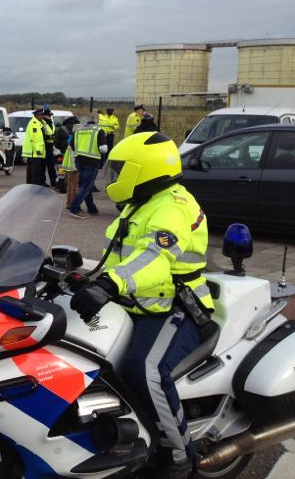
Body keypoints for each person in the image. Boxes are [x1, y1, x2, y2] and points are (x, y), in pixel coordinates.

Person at [71, 131, 212, 478]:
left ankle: (179, 456)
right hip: (136, 303)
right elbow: (121, 258)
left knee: (144, 369)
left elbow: (155, 259)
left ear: (145, 170)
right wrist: (83, 280)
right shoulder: (142, 202)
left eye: (121, 170)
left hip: (175, 307)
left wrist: (110, 284)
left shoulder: (173, 207)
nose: (115, 177)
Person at [68, 117, 107, 218]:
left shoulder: (78, 130)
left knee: (84, 185)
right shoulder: (99, 130)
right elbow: (103, 149)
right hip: (92, 161)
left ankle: (91, 208)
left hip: (79, 161)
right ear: (96, 123)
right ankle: (74, 208)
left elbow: (71, 145)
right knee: (86, 186)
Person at [56, 116, 80, 208]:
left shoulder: (60, 130)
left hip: (63, 155)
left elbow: (56, 143)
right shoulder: (77, 131)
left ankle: (68, 202)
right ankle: (73, 204)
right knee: (74, 184)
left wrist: (62, 148)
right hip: (74, 160)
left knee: (67, 179)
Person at [22, 109, 46, 185]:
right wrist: (38, 149)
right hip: (35, 151)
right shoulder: (34, 123)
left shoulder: (39, 123)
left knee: (32, 170)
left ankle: (30, 185)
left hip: (35, 151)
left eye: (43, 115)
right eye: (41, 115)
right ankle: (34, 185)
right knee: (35, 171)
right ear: (36, 115)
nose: (42, 116)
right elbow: (34, 138)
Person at [42, 108, 57, 187]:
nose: (50, 117)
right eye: (48, 115)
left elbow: (54, 132)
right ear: (44, 115)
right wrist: (51, 137)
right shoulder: (42, 123)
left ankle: (53, 181)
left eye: (50, 115)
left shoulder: (51, 123)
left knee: (51, 165)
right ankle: (43, 181)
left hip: (51, 146)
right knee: (44, 165)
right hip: (45, 146)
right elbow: (42, 136)